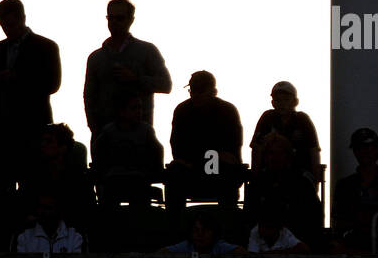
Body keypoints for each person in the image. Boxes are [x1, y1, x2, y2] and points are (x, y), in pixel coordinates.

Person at [0, 0, 62, 198]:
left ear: (23, 18)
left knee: (32, 185)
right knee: (1, 188)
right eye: (4, 25)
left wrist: (14, 79)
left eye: (11, 24)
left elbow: (53, 84)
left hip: (33, 126)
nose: (8, 29)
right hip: (1, 130)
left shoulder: (46, 47)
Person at [83, 0, 172, 137]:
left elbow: (165, 85)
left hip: (139, 138)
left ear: (131, 20)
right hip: (105, 137)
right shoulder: (96, 58)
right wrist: (95, 128)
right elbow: (89, 96)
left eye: (119, 18)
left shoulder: (147, 51)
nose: (114, 22)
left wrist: (136, 79)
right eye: (110, 18)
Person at [166, 71, 244, 212]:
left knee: (225, 170)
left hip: (217, 168)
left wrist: (197, 158)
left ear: (213, 91)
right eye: (193, 90)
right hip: (192, 167)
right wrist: (209, 155)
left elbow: (232, 149)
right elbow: (177, 147)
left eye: (201, 90)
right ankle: (174, 228)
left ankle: (229, 226)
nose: (196, 94)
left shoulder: (227, 111)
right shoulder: (182, 110)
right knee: (175, 172)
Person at [91, 92, 165, 207]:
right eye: (134, 108)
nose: (139, 112)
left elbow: (157, 154)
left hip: (139, 179)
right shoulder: (108, 132)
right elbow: (98, 156)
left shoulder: (146, 131)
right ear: (121, 112)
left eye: (140, 108)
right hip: (114, 179)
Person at [250, 81, 322, 180]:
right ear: (273, 103)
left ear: (295, 102)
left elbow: (314, 150)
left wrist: (315, 180)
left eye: (286, 99)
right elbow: (256, 148)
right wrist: (255, 177)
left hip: (298, 174)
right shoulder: (267, 118)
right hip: (270, 174)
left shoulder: (303, 120)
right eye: (278, 100)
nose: (282, 103)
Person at [14, 191, 85, 254]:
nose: (42, 212)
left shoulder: (74, 238)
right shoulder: (25, 238)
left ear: (58, 211)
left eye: (47, 208)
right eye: (40, 207)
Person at [163, 209, 245, 256]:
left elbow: (241, 252)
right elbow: (161, 253)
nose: (200, 234)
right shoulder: (186, 246)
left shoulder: (218, 246)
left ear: (214, 232)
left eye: (205, 230)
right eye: (196, 230)